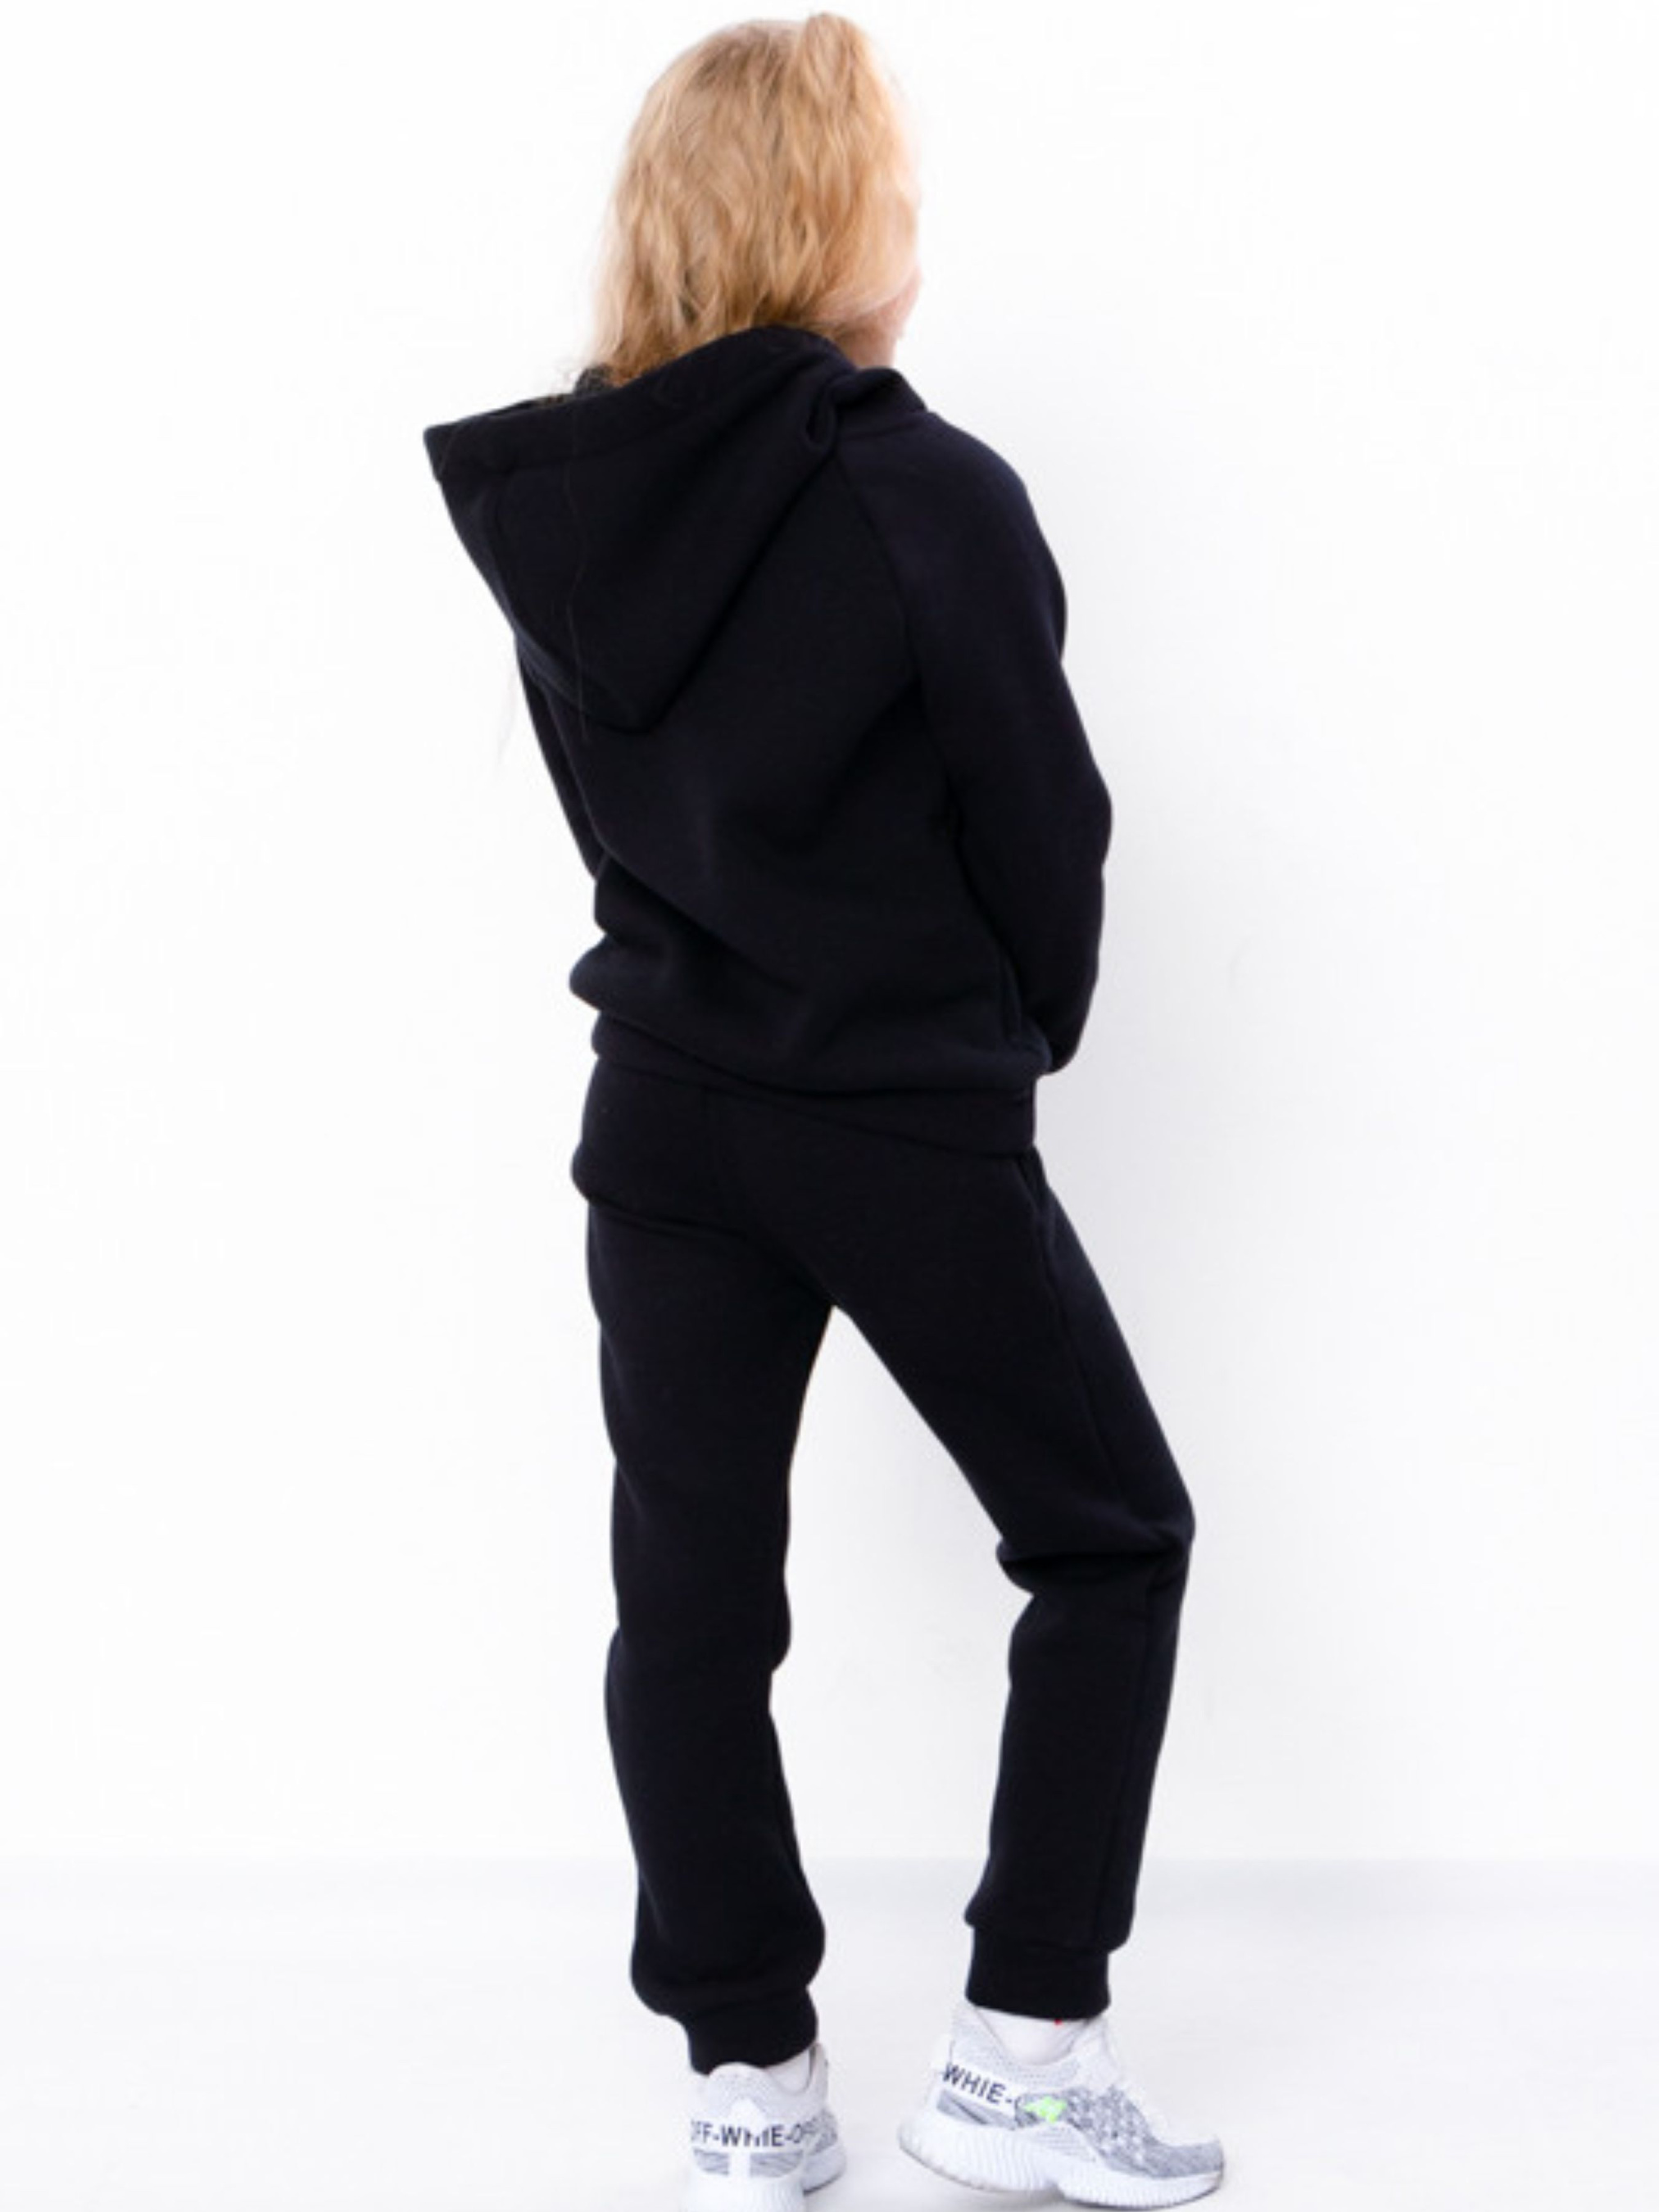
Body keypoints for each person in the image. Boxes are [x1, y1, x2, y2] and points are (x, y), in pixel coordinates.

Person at [423, 13, 1224, 2209]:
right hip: (889, 1111)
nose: (919, 222)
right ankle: (1021, 2052)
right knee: (1110, 1538)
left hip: (661, 1115)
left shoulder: (568, 507)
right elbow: (1044, 829)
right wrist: (1004, 1038)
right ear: (833, 215)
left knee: (691, 1598)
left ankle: (749, 2084)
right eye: (898, 183)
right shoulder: (925, 490)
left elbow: (622, 821)